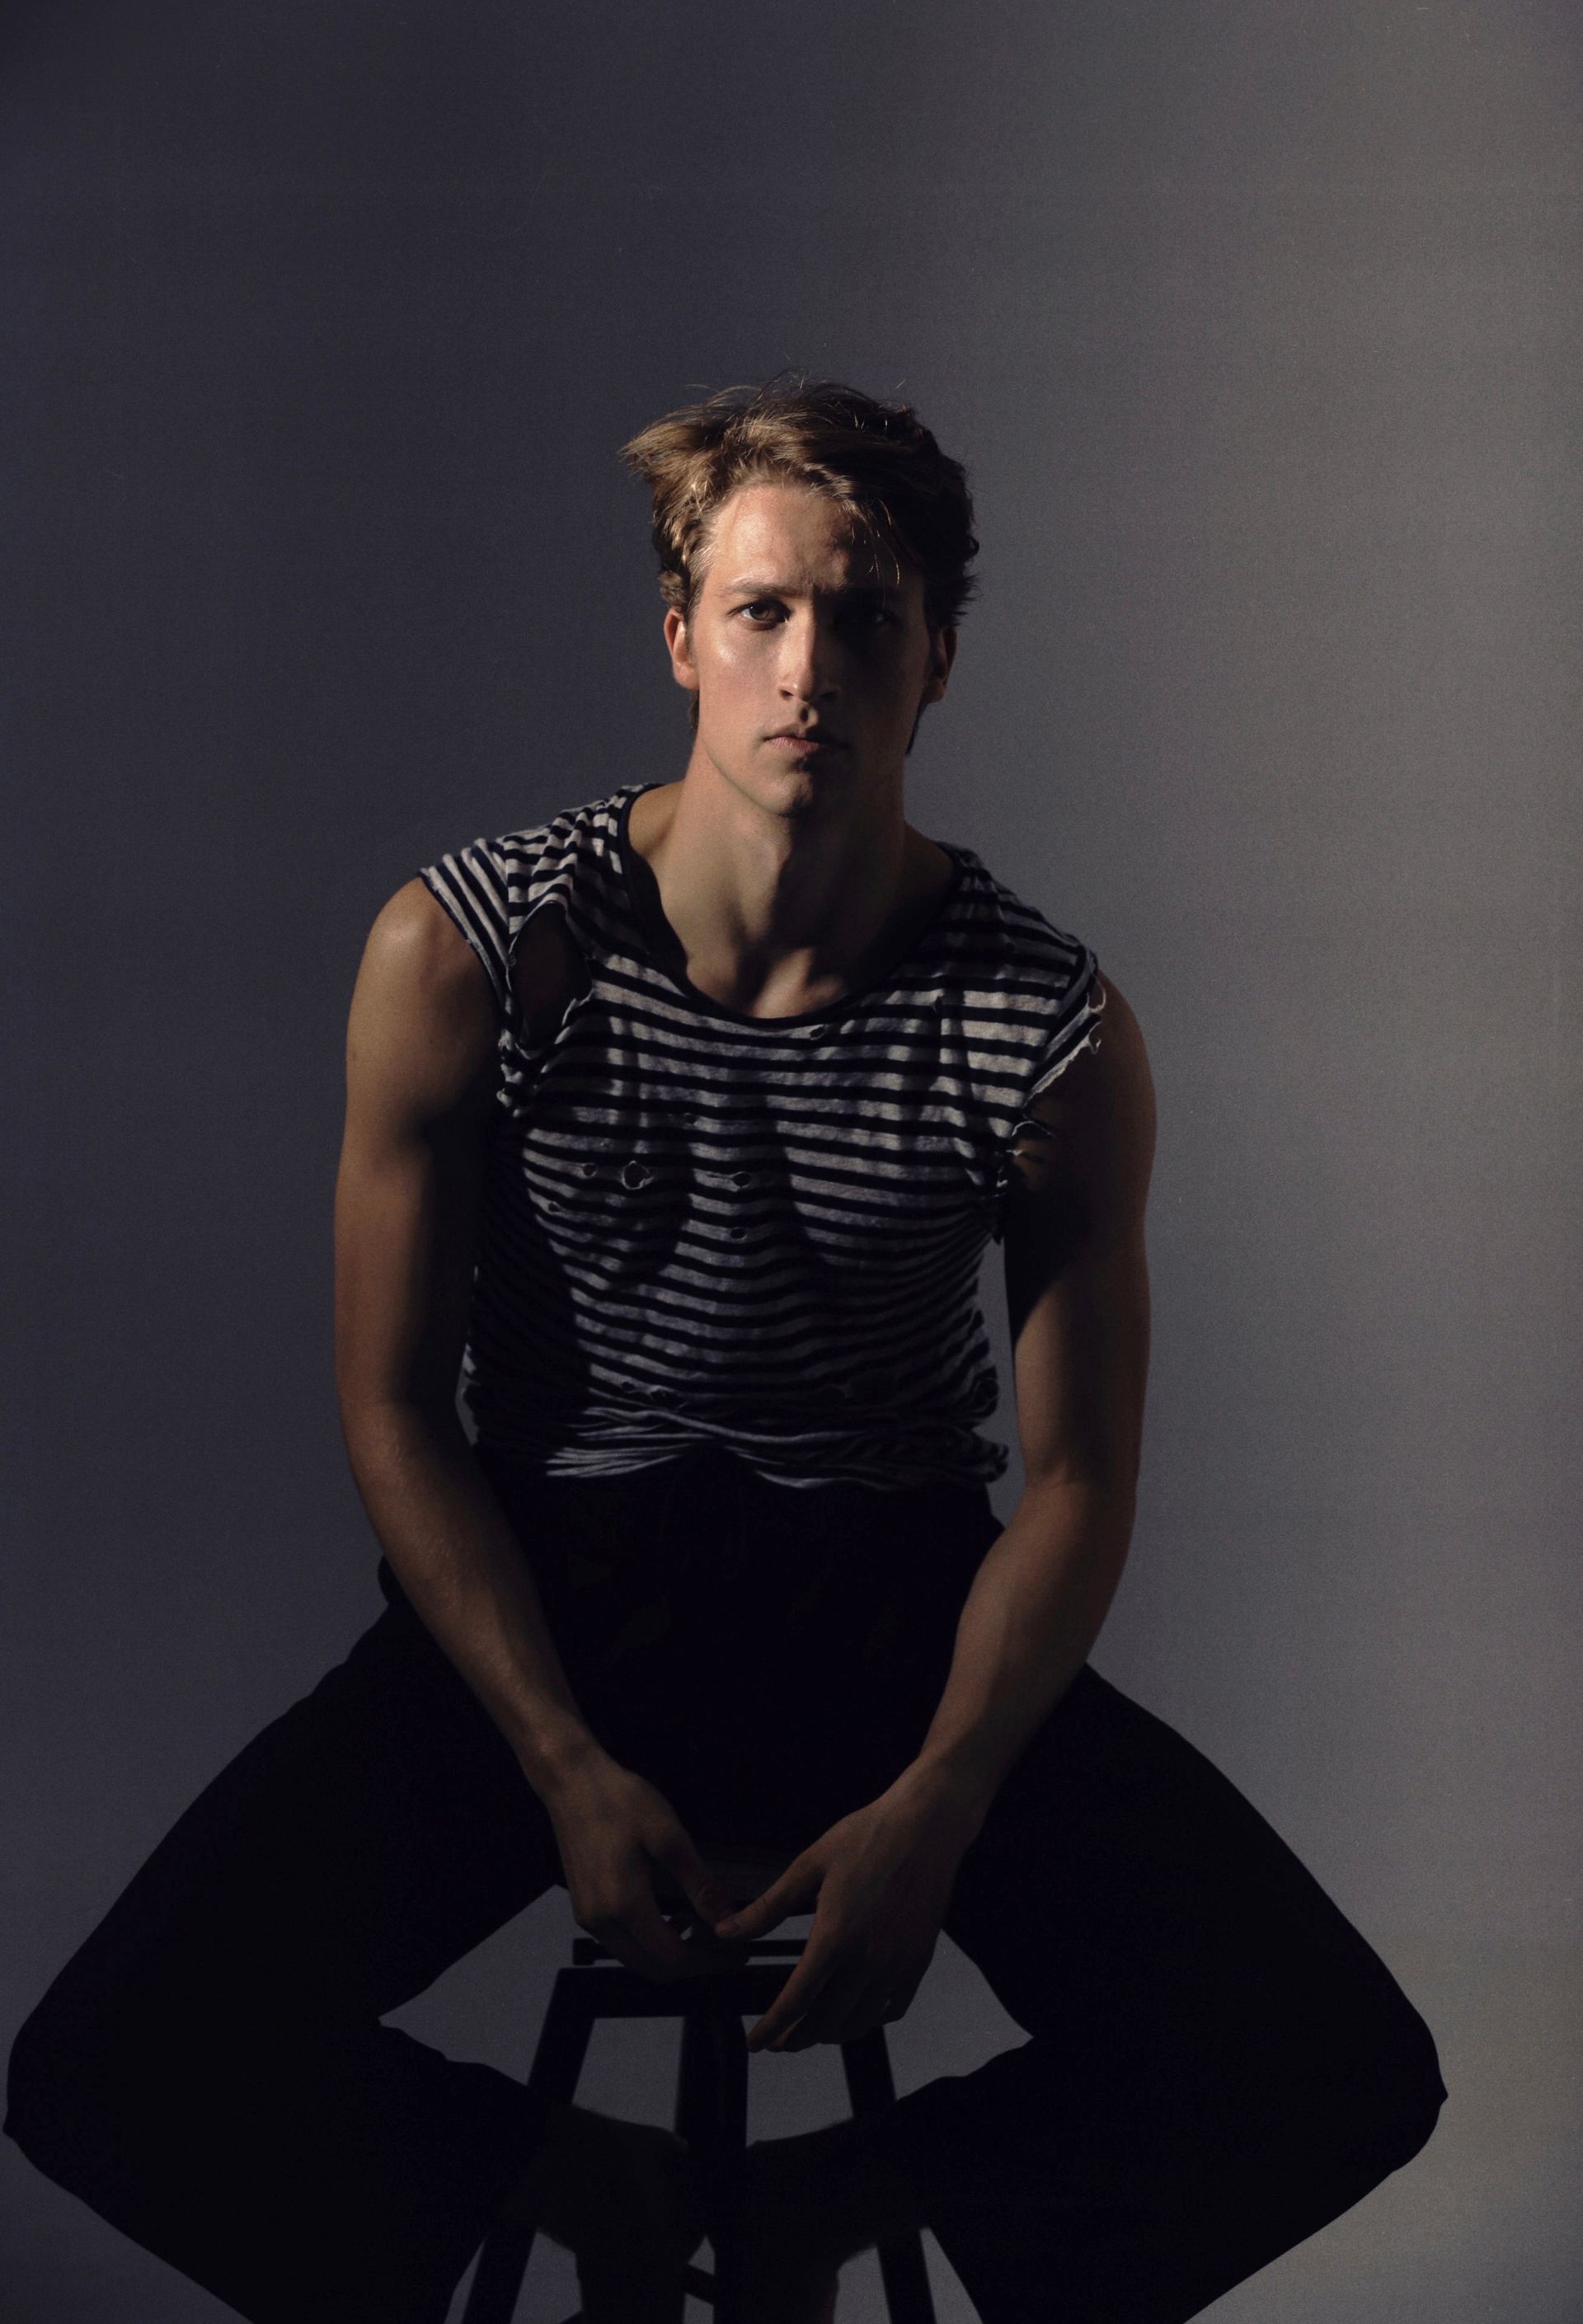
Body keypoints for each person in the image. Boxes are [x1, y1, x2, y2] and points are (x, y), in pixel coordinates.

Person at [6, 378, 1446, 2324]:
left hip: (888, 1609)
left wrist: (943, 1803)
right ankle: (573, 2179)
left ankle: (838, 2201)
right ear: (681, 634)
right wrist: (554, 1758)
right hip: (553, 1590)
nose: (808, 666)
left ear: (936, 653)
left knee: (1336, 2066)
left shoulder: (1046, 1029)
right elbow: (390, 1408)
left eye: (864, 615)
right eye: (762, 612)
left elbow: (1082, 1479)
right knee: (108, 2065)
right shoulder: (470, 951)